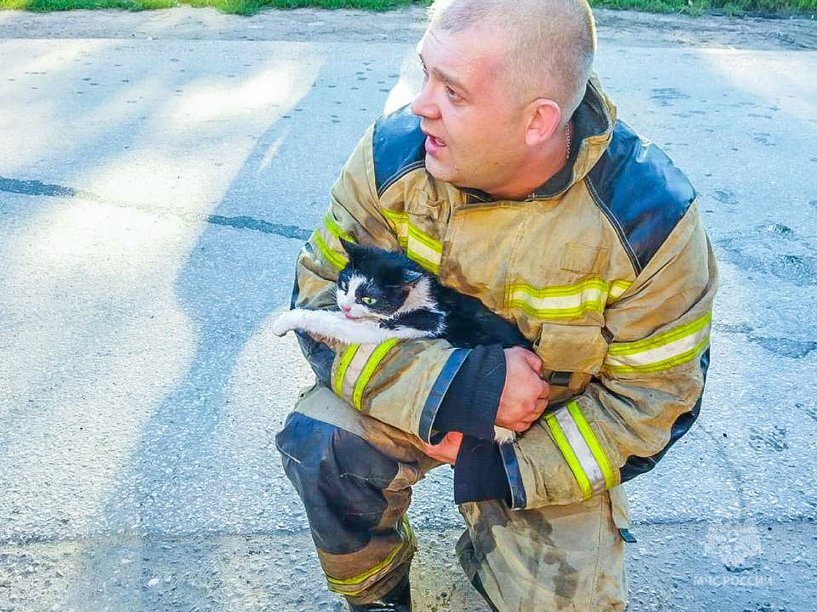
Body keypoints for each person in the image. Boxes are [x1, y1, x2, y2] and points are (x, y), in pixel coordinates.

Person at [275, 0, 718, 609]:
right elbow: (318, 288)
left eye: (452, 92)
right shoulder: (392, 157)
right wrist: (454, 391)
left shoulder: (648, 218)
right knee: (323, 440)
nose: (421, 104)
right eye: (425, 71)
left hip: (547, 437)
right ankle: (376, 590)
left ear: (537, 121)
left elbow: (654, 399)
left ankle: (495, 550)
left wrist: (500, 465)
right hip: (416, 389)